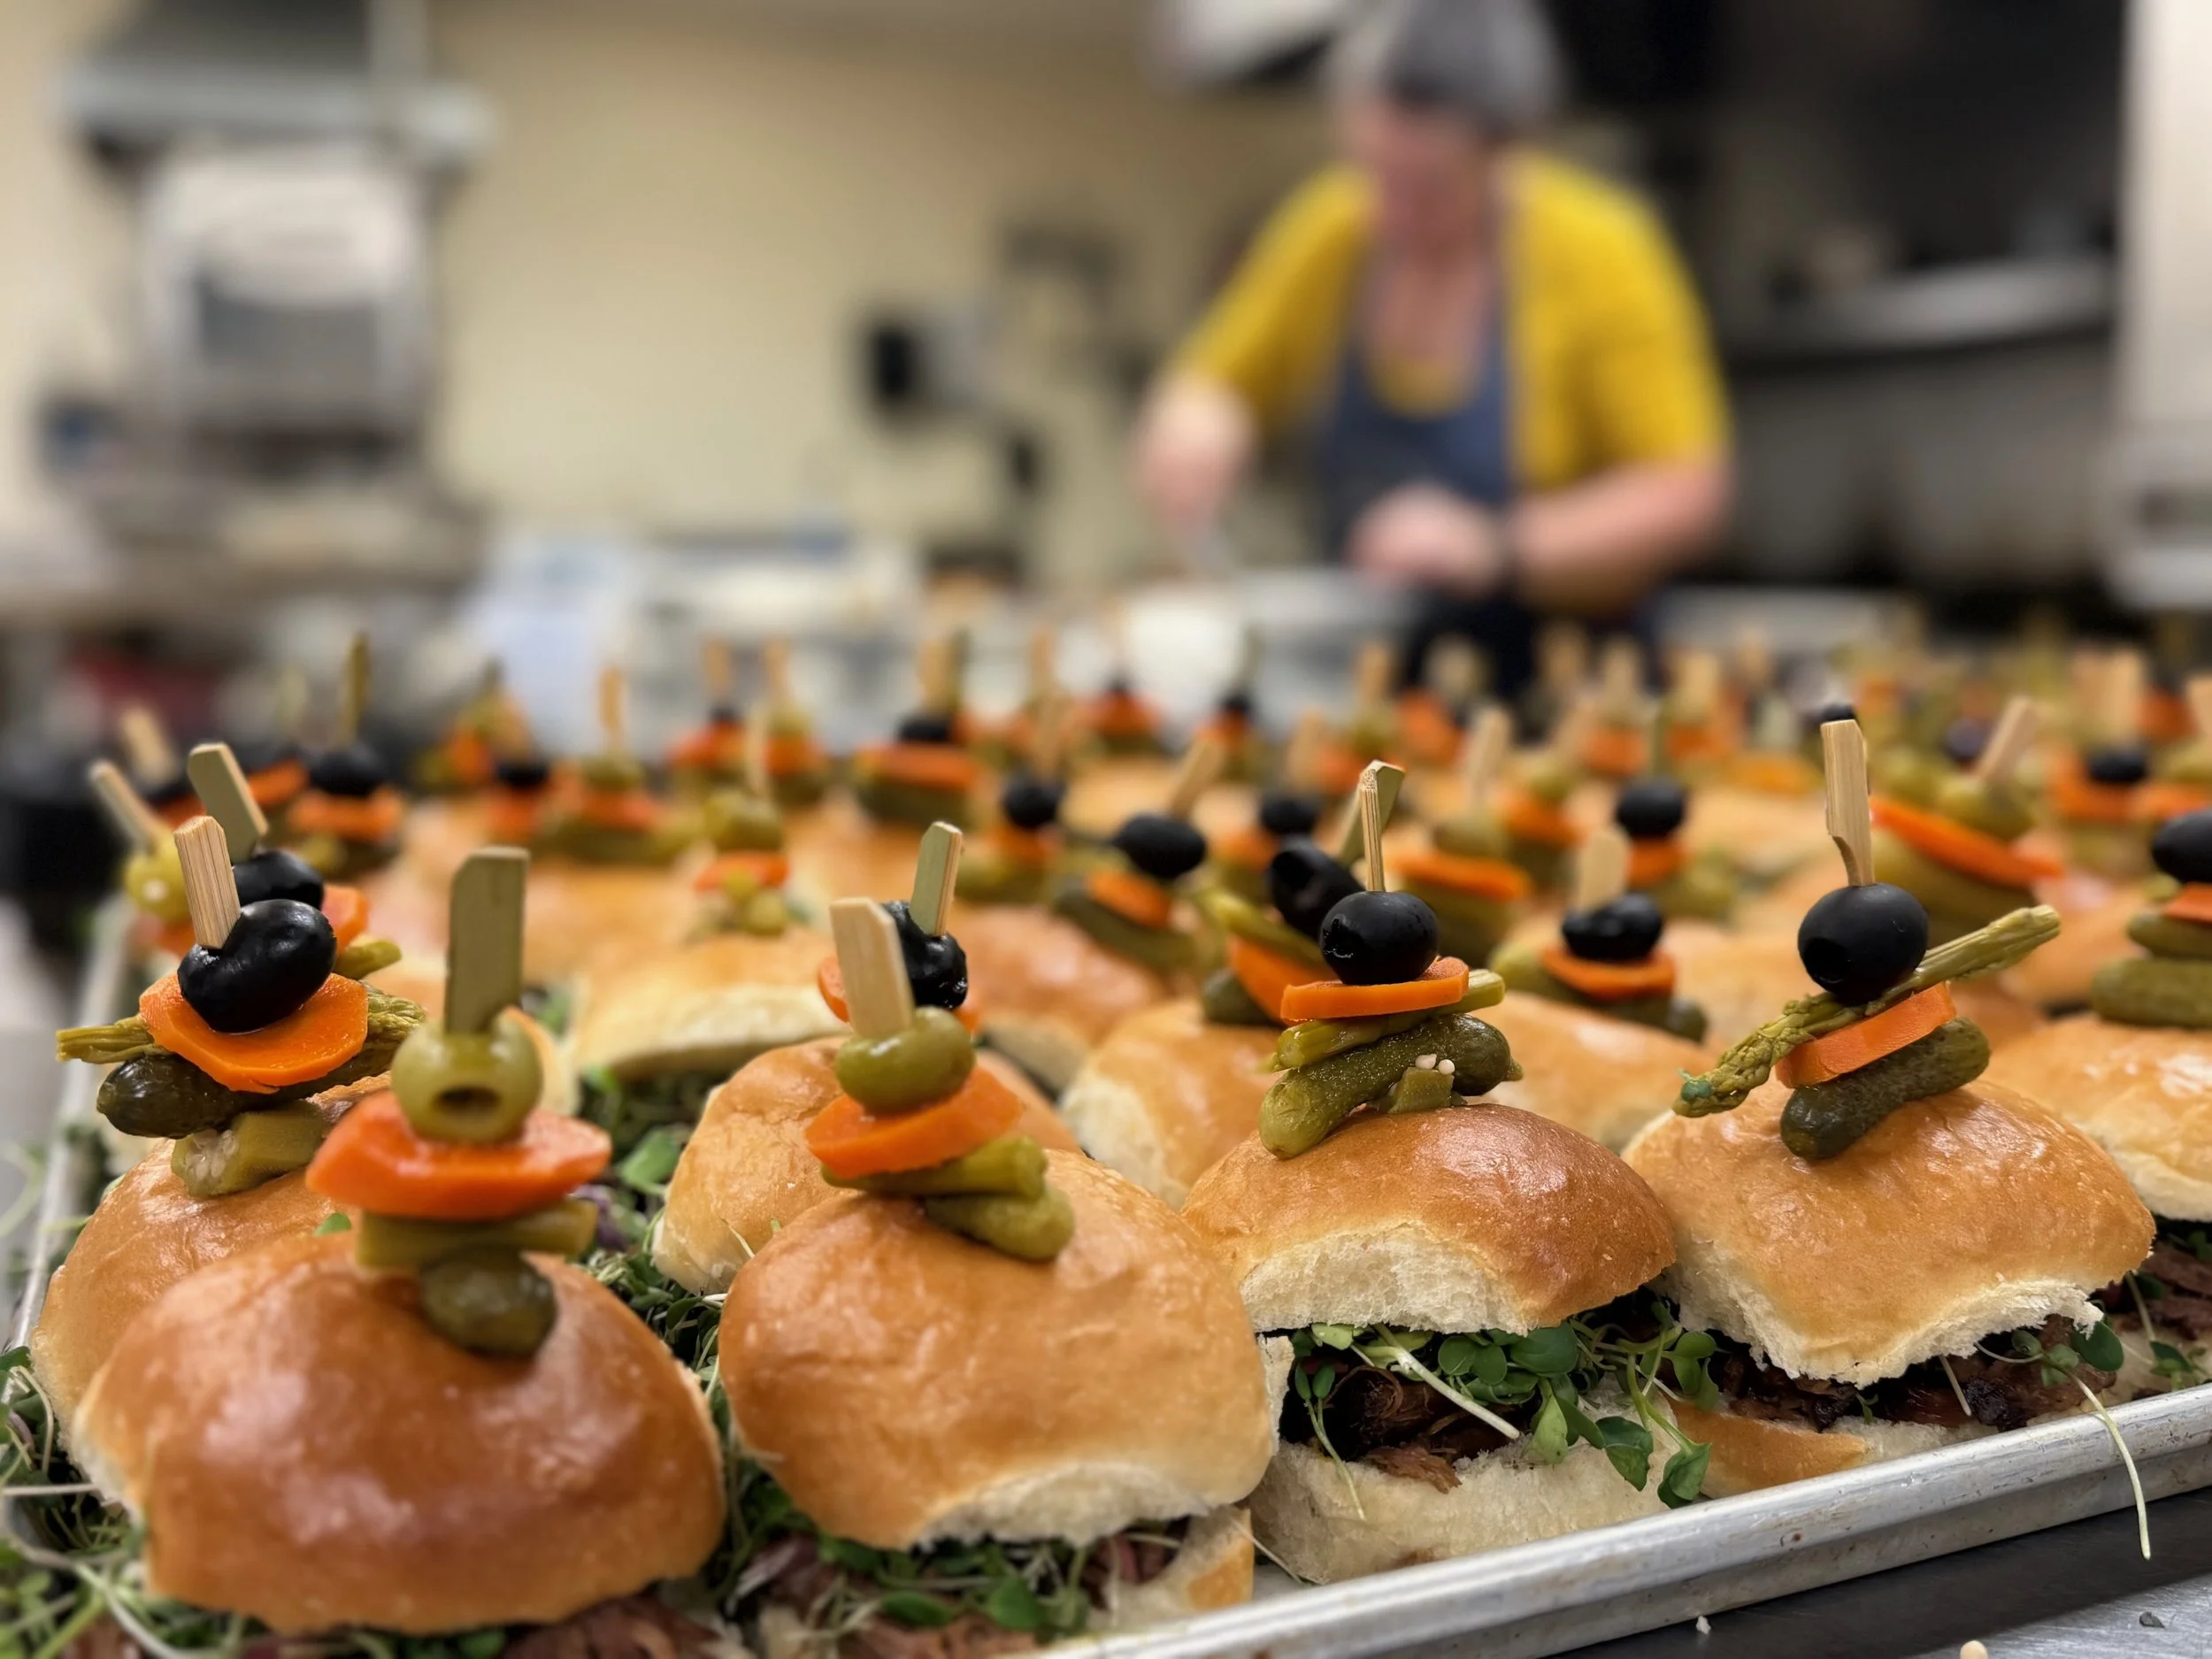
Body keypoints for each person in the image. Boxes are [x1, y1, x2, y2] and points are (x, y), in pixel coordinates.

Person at [1134, 0, 1731, 696]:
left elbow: (1686, 493)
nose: (1393, 212)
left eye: (1428, 186)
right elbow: (1208, 383)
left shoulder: (1602, 250)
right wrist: (1200, 420)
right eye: (1376, 171)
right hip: (1378, 681)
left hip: (1567, 686)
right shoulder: (1336, 227)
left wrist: (1493, 543)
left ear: (1509, 148)